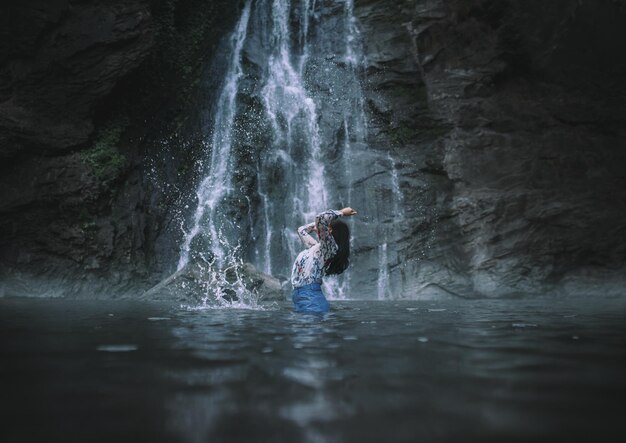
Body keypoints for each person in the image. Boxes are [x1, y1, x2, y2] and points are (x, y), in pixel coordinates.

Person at [291, 207, 357, 313]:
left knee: (310, 327)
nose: (325, 230)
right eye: (326, 228)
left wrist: (341, 212)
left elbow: (321, 218)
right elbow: (301, 230)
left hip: (310, 297)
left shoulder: (330, 248)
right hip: (303, 295)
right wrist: (317, 227)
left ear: (334, 233)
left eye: (329, 228)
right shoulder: (316, 249)